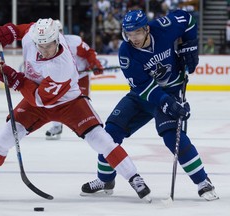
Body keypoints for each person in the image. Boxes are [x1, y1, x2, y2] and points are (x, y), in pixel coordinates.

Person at [0, 18, 151, 202]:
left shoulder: (63, 65)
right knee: (4, 137)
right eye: (41, 46)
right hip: (35, 101)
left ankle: (135, 178)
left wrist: (15, 80)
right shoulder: (32, 36)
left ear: (58, 39)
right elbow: (25, 29)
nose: (45, 50)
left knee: (101, 140)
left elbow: (40, 98)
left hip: (68, 102)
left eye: (49, 45)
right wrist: (9, 32)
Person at [80, 10, 219, 201]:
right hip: (142, 96)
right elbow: (143, 87)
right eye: (129, 34)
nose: (133, 38)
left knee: (172, 136)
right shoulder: (126, 52)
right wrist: (166, 103)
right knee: (110, 133)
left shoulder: (164, 28)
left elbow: (188, 19)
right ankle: (105, 180)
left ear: (146, 28)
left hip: (171, 90)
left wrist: (190, 45)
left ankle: (203, 181)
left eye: (137, 32)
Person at [45, 20, 104, 140]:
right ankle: (57, 126)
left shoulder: (74, 42)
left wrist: (95, 64)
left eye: (60, 31)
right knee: (55, 100)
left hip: (80, 78)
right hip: (62, 78)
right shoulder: (47, 46)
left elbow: (89, 53)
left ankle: (91, 126)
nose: (59, 34)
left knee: (81, 102)